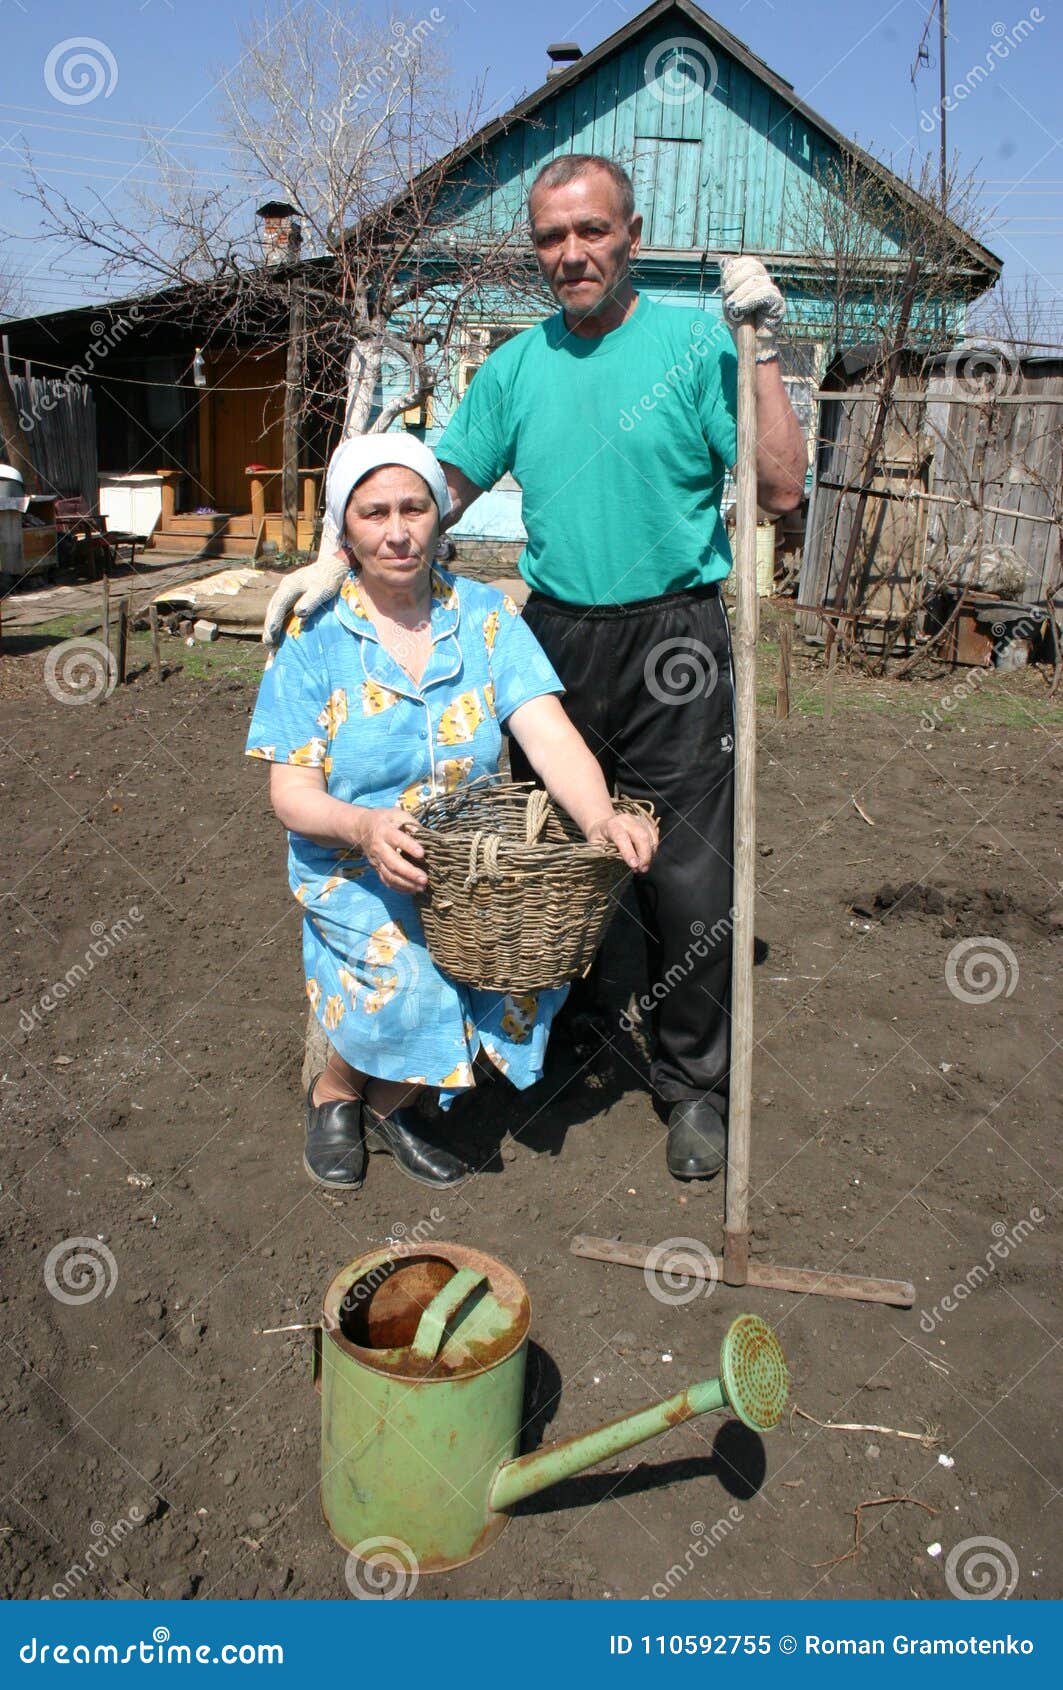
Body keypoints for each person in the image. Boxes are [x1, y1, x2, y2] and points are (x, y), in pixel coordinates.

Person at [264, 154, 806, 1183]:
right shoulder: (516, 367)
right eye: (551, 238)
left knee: (687, 872)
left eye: (591, 231)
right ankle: (578, 1024)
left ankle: (692, 1087)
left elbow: (778, 487)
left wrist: (764, 351)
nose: (572, 254)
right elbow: (432, 491)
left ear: (630, 234)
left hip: (675, 636)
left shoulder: (697, 345)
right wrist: (335, 559)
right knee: (545, 851)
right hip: (552, 632)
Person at [247, 431, 657, 1191]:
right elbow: (291, 795)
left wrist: (600, 819)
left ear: (441, 517)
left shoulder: (485, 616)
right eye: (373, 513)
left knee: (517, 959)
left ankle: (393, 1104)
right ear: (345, 529)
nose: (397, 531)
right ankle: (335, 1094)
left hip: (469, 859)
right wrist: (365, 827)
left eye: (414, 508)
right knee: (412, 974)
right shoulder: (315, 635)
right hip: (350, 859)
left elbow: (547, 731)